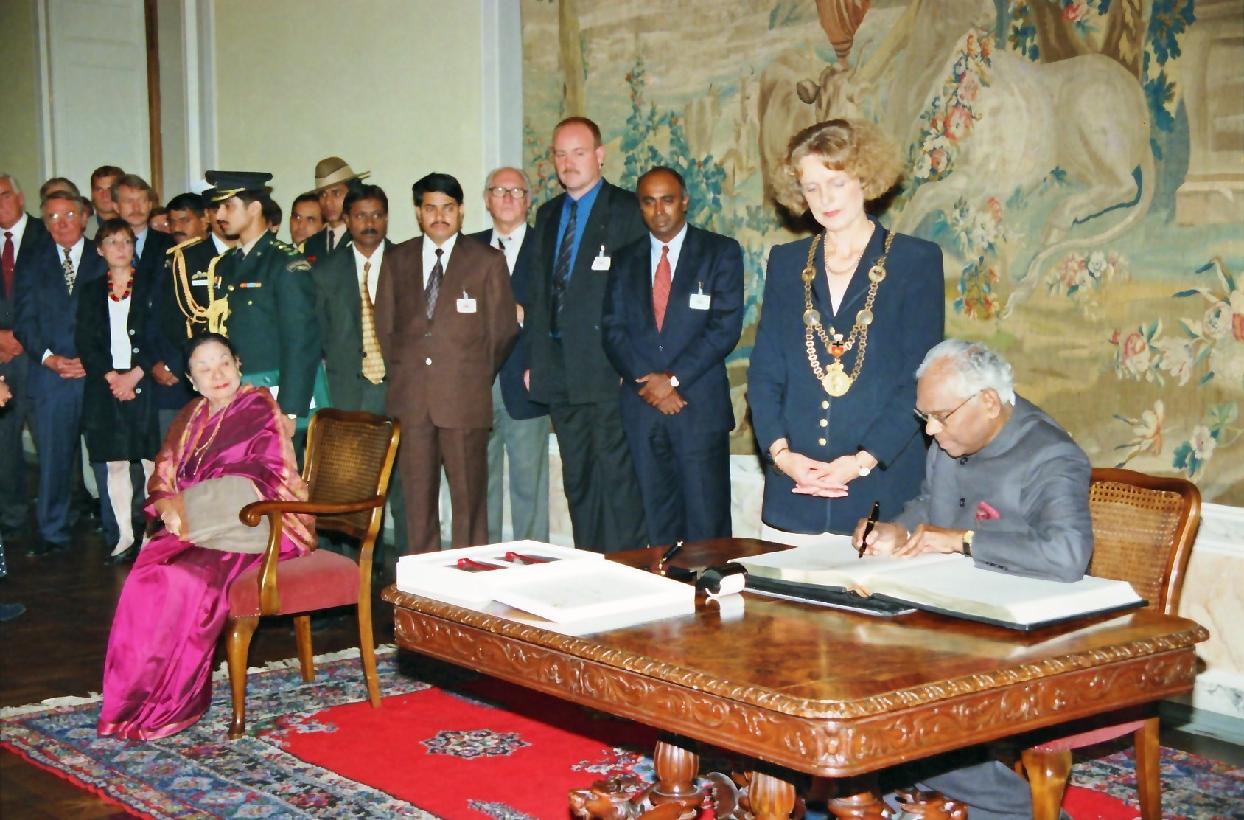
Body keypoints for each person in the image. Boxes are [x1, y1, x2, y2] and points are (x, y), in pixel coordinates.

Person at [852, 339, 1093, 819]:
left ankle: (1032, 813)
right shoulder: (951, 440)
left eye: (940, 416)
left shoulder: (1051, 455)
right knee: (862, 683)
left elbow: (1068, 554)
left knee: (905, 724)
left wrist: (964, 541)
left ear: (988, 401)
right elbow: (931, 503)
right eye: (924, 418)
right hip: (947, 621)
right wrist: (897, 529)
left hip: (1021, 640)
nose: (931, 430)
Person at [98, 333, 314, 740]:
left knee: (185, 582)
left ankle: (172, 704)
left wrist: (188, 508)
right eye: (204, 368)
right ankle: (135, 702)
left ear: (238, 365)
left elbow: (264, 477)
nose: (217, 375)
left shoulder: (258, 406)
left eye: (224, 363)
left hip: (253, 527)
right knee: (147, 580)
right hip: (198, 529)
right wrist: (167, 505)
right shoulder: (190, 415)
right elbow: (163, 472)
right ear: (190, 379)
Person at [748, 118, 944, 542]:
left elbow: (919, 380)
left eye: (836, 182)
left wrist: (860, 462)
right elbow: (765, 373)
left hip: (880, 494)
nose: (825, 199)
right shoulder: (786, 262)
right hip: (793, 493)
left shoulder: (915, 261)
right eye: (811, 187)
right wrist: (782, 456)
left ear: (864, 178)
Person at [523, 116, 649, 553]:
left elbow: (641, 298)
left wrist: (632, 365)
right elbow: (539, 297)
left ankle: (626, 569)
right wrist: (534, 362)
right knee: (578, 479)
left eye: (578, 152)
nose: (568, 162)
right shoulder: (547, 215)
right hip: (559, 371)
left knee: (618, 479)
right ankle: (589, 564)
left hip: (609, 370)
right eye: (560, 154)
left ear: (599, 155)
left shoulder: (628, 211)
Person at [375, 172, 517, 553]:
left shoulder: (486, 262)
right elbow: (385, 328)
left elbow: (502, 331)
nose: (439, 216)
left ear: (461, 211)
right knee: (416, 504)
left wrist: (470, 375)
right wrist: (413, 372)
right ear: (418, 213)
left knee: (469, 502)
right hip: (412, 402)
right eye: (431, 209)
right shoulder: (396, 260)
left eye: (448, 208)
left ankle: (471, 575)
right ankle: (425, 580)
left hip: (464, 400)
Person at [602, 166, 744, 544]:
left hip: (697, 408)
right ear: (640, 207)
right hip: (643, 408)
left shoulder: (720, 252)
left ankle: (709, 585)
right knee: (655, 523)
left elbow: (724, 327)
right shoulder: (625, 259)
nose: (659, 210)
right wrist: (650, 384)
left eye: (667, 200)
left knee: (707, 522)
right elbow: (613, 330)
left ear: (684, 201)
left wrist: (672, 380)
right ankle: (665, 582)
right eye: (649, 202)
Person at [311, 183, 407, 563]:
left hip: (399, 389)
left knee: (404, 485)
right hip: (347, 392)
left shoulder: (407, 263)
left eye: (377, 215)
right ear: (347, 220)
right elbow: (317, 336)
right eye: (361, 215)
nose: (370, 223)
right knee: (350, 487)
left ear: (387, 218)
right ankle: (349, 573)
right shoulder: (324, 272)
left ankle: (405, 570)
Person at [14, 191, 103, 555]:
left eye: (68, 214)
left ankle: (118, 532)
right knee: (53, 459)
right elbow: (24, 320)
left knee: (106, 458)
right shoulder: (31, 261)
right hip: (50, 375)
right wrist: (50, 359)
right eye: (52, 217)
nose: (61, 223)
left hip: (96, 375)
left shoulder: (103, 254)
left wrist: (92, 359)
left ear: (84, 217)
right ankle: (53, 533)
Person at [469, 166, 550, 543]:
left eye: (516, 191)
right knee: (479, 485)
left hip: (527, 381)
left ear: (528, 201)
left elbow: (560, 311)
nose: (506, 197)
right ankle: (483, 562)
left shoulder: (547, 248)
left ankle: (534, 564)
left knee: (529, 488)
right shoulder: (466, 250)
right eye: (498, 191)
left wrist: (523, 314)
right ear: (486, 199)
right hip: (476, 385)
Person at [205, 170, 322, 432]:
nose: (220, 215)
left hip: (274, 391)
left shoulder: (284, 263)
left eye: (228, 206)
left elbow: (301, 340)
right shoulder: (225, 264)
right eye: (218, 207)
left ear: (255, 208)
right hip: (234, 392)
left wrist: (290, 409)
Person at [75, 220, 160, 561]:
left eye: (126, 241)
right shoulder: (90, 291)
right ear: (100, 249)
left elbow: (160, 335)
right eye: (112, 242)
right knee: (115, 463)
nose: (121, 248)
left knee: (151, 462)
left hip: (144, 382)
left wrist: (135, 374)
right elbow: (85, 341)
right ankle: (125, 536)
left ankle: (153, 536)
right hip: (106, 386)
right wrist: (113, 377)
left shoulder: (152, 285)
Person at [0, 173, 48, 541]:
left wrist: (24, 337)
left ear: (19, 197)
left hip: (41, 356)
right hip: (1, 359)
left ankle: (59, 515)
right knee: (5, 442)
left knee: (51, 438)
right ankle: (12, 516)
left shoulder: (46, 235)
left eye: (3, 195)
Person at [303, 156, 368, 263]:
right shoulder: (310, 244)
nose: (328, 202)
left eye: (336, 193)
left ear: (352, 194)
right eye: (323, 194)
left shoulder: (366, 238)